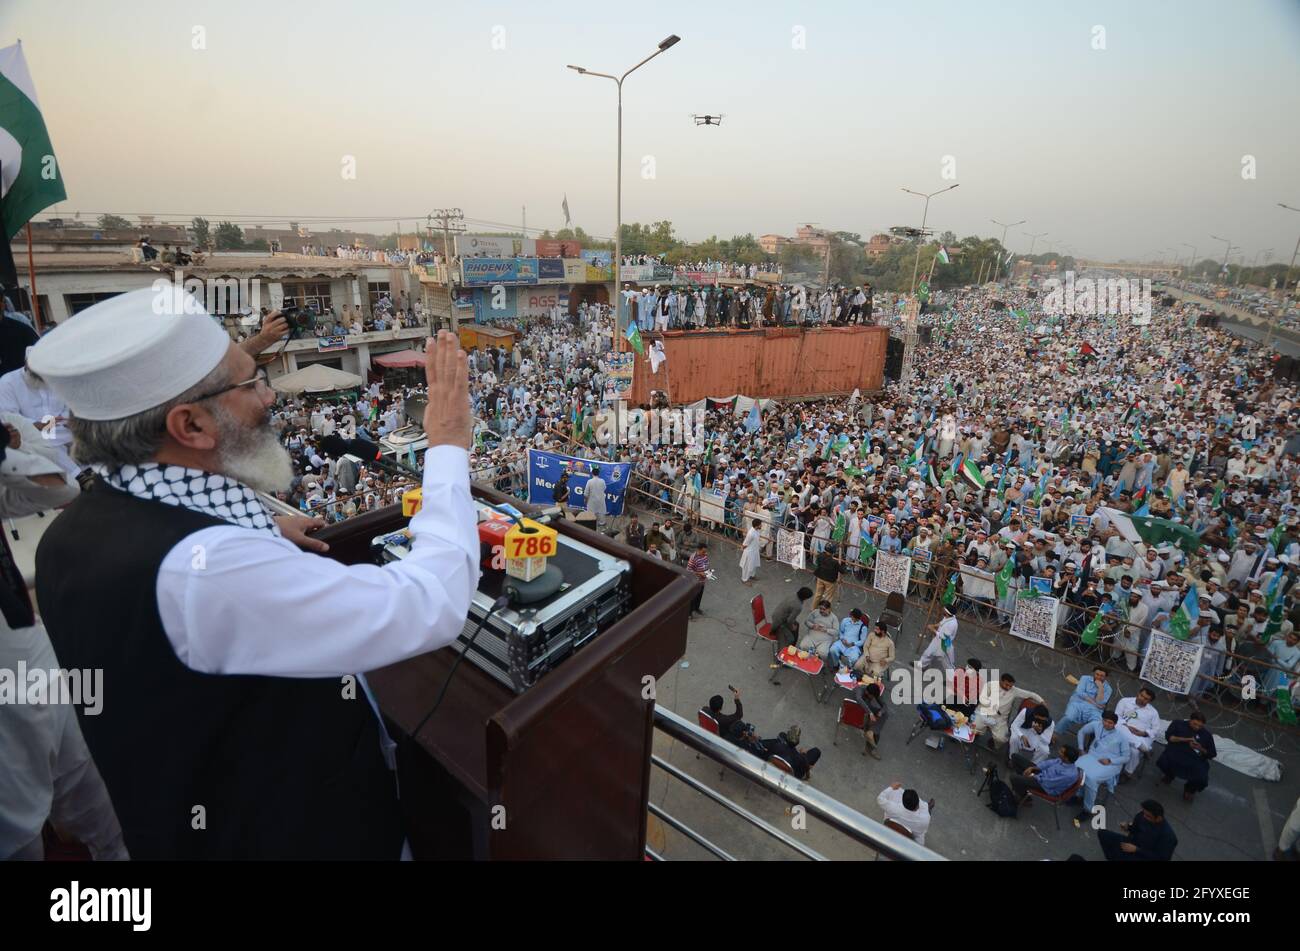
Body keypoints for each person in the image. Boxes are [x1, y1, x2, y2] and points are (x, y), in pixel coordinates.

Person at [28, 290, 479, 859]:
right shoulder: (209, 571)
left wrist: (259, 533)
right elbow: (429, 603)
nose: (269, 397)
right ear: (189, 424)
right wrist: (447, 444)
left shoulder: (71, 533)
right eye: (251, 384)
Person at [0, 416, 127, 860]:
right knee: (18, 834)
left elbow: (60, 490)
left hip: (27, 645)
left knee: (94, 790)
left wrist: (6, 454)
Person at [1075, 710, 1130, 821]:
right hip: (1092, 756)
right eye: (1105, 721)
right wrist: (1081, 749)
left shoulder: (1121, 737)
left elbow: (1126, 757)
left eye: (1110, 723)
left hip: (1110, 764)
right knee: (1076, 768)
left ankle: (1088, 809)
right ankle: (1078, 795)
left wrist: (1110, 761)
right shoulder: (1097, 725)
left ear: (1115, 724)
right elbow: (1081, 732)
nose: (1107, 724)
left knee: (1091, 778)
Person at [973, 672, 1044, 749]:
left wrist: (1042, 701)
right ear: (1001, 681)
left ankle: (993, 742)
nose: (1008, 688)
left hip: (1000, 718)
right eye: (1006, 685)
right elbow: (982, 698)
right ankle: (975, 736)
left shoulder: (1014, 690)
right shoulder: (991, 685)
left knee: (1001, 739)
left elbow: (1031, 694)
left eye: (1011, 686)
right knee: (975, 727)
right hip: (984, 713)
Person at [1156, 712, 1217, 802]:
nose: (1197, 727)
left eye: (1200, 726)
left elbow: (1212, 753)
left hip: (1195, 759)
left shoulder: (1206, 735)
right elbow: (1170, 738)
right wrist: (1187, 739)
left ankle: (1190, 789)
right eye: (1195, 724)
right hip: (1176, 752)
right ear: (1190, 720)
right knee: (1164, 761)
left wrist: (1200, 748)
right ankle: (1169, 775)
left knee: (1201, 778)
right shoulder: (1178, 724)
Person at [1097, 800, 1178, 861]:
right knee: (1103, 834)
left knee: (1120, 855)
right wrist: (1128, 827)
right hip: (1133, 843)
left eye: (1148, 816)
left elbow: (1161, 858)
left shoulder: (1168, 836)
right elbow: (1135, 829)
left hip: (1144, 855)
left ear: (1159, 818)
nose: (1144, 817)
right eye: (1144, 813)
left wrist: (1137, 850)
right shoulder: (1142, 816)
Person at [1009, 745, 1081, 804]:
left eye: (1061, 752)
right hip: (1042, 775)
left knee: (1013, 777)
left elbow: (1050, 783)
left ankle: (1023, 796)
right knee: (1015, 757)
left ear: (1067, 758)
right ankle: (1022, 783)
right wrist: (1033, 768)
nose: (1059, 752)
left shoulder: (1069, 775)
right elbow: (1047, 763)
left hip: (1046, 787)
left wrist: (1033, 776)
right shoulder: (1062, 760)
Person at [1114, 686, 1160, 778]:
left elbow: (1156, 730)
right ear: (1138, 693)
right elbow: (1116, 716)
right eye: (1141, 696)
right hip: (1123, 728)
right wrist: (1127, 727)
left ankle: (1128, 773)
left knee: (1134, 751)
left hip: (1140, 736)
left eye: (1146, 699)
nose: (1142, 699)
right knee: (1118, 726)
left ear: (1149, 701)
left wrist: (1144, 733)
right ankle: (1142, 748)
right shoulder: (1125, 701)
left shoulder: (1153, 712)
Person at [1056, 667, 1113, 739]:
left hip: (1095, 710)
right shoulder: (1085, 679)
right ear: (1094, 673)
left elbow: (1100, 701)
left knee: (1098, 726)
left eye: (1101, 676)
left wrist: (1101, 688)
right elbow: (1080, 693)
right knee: (1068, 718)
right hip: (1078, 703)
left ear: (1105, 677)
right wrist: (1095, 703)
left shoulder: (1108, 689)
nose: (1098, 677)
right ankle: (1055, 733)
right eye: (1097, 674)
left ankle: (1089, 746)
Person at [852, 680, 888, 759]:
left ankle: (871, 732)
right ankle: (871, 747)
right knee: (876, 729)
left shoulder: (873, 693)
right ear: (868, 693)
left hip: (868, 711)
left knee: (884, 715)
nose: (874, 698)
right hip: (856, 710)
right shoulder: (859, 689)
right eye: (872, 697)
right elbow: (859, 700)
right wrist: (870, 713)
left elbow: (884, 705)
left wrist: (881, 712)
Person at [919, 603, 958, 672]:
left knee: (947, 664)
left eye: (944, 609)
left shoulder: (952, 624)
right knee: (928, 652)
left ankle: (952, 679)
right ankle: (921, 666)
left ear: (947, 612)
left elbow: (944, 637)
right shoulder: (947, 617)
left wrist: (932, 629)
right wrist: (934, 625)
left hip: (945, 644)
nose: (942, 609)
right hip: (937, 640)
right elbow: (941, 623)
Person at [812, 542, 841, 606]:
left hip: (820, 577)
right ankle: (824, 610)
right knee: (828, 598)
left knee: (818, 594)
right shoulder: (834, 562)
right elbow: (842, 571)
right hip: (830, 581)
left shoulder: (820, 556)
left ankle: (813, 608)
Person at [686, 543, 709, 615]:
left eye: (705, 551)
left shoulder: (705, 556)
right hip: (695, 582)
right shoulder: (693, 558)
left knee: (699, 596)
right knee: (693, 598)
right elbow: (689, 570)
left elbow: (706, 565)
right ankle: (689, 613)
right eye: (703, 551)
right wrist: (700, 573)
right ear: (698, 550)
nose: (705, 553)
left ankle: (696, 608)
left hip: (702, 581)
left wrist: (707, 572)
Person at [740, 517, 762, 584]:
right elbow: (745, 543)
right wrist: (742, 548)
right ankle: (744, 579)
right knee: (746, 566)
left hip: (755, 551)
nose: (761, 525)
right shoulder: (751, 533)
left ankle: (752, 575)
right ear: (757, 525)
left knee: (754, 564)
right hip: (749, 552)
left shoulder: (757, 530)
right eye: (760, 524)